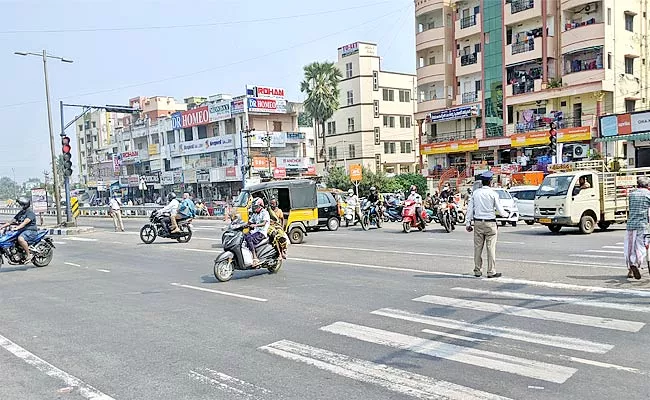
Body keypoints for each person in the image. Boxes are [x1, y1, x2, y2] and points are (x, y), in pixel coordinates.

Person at [465, 171, 508, 278]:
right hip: (490, 224)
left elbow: (470, 209)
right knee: (491, 248)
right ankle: (491, 271)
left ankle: (477, 270)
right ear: (490, 182)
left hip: (478, 223)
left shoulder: (475, 193)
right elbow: (500, 210)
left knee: (477, 248)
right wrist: (507, 215)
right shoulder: (493, 194)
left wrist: (468, 223)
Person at [624, 176, 650, 279]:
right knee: (641, 246)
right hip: (642, 225)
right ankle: (637, 262)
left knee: (630, 247)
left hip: (630, 224)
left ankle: (631, 267)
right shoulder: (648, 194)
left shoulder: (632, 194)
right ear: (647, 185)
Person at [0, 197, 37, 262]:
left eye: (21, 204)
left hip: (30, 231)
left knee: (20, 239)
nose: (20, 206)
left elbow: (25, 222)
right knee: (10, 237)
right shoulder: (21, 212)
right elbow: (11, 221)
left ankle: (28, 254)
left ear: (25, 205)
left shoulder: (30, 213)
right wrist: (2, 226)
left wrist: (17, 228)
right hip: (22, 230)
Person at [246, 198, 271, 265]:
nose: (254, 208)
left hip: (261, 233)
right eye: (254, 207)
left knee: (249, 238)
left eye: (256, 207)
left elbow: (264, 223)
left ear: (260, 206)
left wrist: (255, 225)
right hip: (255, 231)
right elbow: (250, 222)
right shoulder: (255, 214)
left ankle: (255, 257)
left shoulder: (265, 213)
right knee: (244, 236)